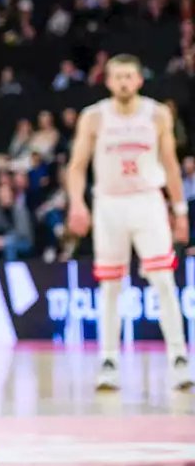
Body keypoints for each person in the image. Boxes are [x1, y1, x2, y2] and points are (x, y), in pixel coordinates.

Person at [66, 54, 192, 391]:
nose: (123, 82)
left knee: (163, 282)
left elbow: (170, 164)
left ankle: (180, 360)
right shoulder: (94, 117)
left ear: (139, 80)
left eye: (129, 77)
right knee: (109, 288)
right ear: (108, 81)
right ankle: (108, 362)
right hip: (108, 203)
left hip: (148, 200)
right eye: (117, 76)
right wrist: (76, 203)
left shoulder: (157, 114)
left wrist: (180, 210)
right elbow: (77, 165)